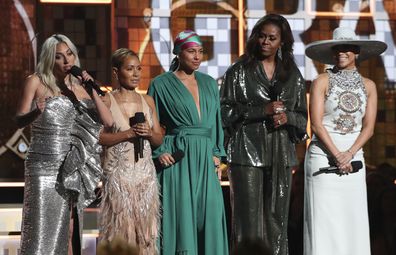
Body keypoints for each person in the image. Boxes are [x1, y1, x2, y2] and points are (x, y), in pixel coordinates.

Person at [15, 34, 114, 255]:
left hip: (71, 165)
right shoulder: (36, 81)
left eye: (69, 54)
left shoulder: (79, 87)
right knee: (41, 230)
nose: (66, 61)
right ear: (50, 59)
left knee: (69, 229)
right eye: (59, 57)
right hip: (42, 165)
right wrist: (35, 112)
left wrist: (90, 87)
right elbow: (18, 120)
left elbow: (108, 122)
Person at [220, 14, 308, 255]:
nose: (265, 42)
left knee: (277, 220)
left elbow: (302, 120)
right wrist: (261, 111)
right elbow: (225, 112)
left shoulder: (292, 75)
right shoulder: (238, 71)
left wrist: (287, 117)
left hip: (280, 153)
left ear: (282, 41)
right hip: (245, 153)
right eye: (261, 36)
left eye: (272, 38)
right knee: (247, 221)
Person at [303, 27, 387, 255]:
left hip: (354, 160)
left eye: (347, 48)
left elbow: (368, 128)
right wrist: (337, 154)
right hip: (322, 157)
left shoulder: (369, 86)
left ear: (357, 52)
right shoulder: (321, 81)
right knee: (324, 222)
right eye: (337, 48)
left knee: (353, 221)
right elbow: (317, 124)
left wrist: (348, 154)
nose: (342, 52)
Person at [147, 30, 228, 255]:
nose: (197, 56)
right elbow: (152, 124)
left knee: (210, 216)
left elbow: (216, 121)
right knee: (182, 219)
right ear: (178, 53)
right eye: (191, 51)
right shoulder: (161, 84)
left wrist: (217, 154)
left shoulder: (210, 83)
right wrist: (160, 151)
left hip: (205, 155)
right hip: (179, 157)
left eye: (200, 52)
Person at [98, 48, 163, 254]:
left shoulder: (148, 101)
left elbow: (158, 138)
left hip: (145, 178)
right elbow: (98, 137)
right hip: (119, 179)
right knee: (120, 234)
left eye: (138, 69)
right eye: (129, 69)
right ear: (116, 72)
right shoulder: (107, 101)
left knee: (145, 237)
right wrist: (128, 134)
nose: (136, 74)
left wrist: (149, 134)